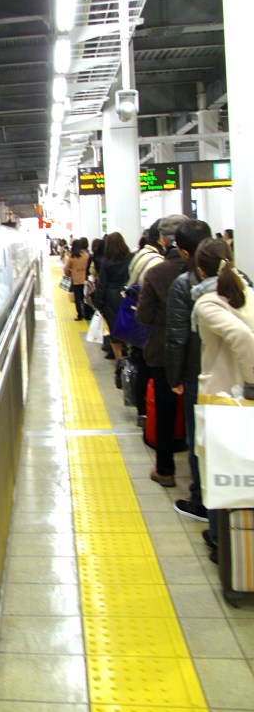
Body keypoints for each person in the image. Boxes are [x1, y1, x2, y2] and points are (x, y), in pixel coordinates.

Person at [192, 238, 254, 560]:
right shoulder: (245, 289)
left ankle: (221, 540)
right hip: (240, 392)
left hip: (226, 394)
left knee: (220, 469)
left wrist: (251, 381)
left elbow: (242, 337)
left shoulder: (207, 302)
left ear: (199, 268)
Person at [163, 219, 213, 521]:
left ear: (182, 252)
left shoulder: (183, 284)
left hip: (197, 375)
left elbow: (177, 338)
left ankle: (201, 501)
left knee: (201, 439)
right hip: (233, 374)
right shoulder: (239, 277)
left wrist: (174, 377)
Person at [135, 214, 189, 486]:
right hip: (200, 355)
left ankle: (165, 470)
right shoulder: (212, 271)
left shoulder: (156, 273)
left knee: (166, 413)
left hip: (162, 354)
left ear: (162, 240)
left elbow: (143, 317)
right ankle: (202, 481)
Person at [124, 220, 164, 426]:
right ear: (161, 239)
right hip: (146, 321)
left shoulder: (139, 255)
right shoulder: (156, 263)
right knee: (148, 368)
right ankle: (148, 412)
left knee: (140, 364)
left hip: (136, 316)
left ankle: (142, 410)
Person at [93, 231, 131, 379]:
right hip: (126, 295)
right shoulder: (129, 259)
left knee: (114, 330)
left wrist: (98, 302)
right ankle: (129, 356)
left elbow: (102, 284)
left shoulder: (106, 262)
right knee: (127, 326)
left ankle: (119, 360)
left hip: (110, 298)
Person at [63, 238, 89, 321]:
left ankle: (80, 314)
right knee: (84, 296)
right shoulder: (86, 255)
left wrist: (70, 273)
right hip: (85, 279)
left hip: (76, 280)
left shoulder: (72, 257)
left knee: (77, 298)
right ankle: (86, 312)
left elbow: (66, 270)